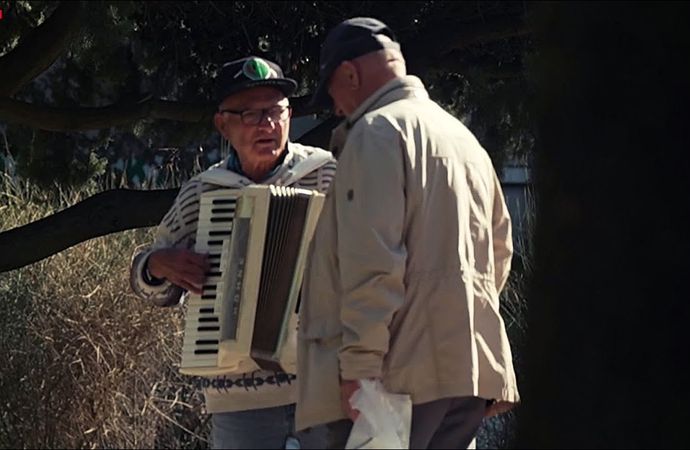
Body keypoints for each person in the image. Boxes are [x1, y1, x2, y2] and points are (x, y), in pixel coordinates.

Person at [295, 17, 519, 449]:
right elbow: (500, 252)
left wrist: (360, 367)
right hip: (467, 375)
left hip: (396, 381)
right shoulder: (463, 136)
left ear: (350, 74)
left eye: (333, 94)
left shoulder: (375, 133)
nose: (337, 108)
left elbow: (373, 261)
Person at [129, 56, 336, 449]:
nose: (267, 124)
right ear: (223, 124)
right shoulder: (202, 192)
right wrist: (156, 265)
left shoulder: (326, 174)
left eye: (275, 111)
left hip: (325, 385)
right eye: (250, 113)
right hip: (237, 398)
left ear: (290, 115)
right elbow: (150, 283)